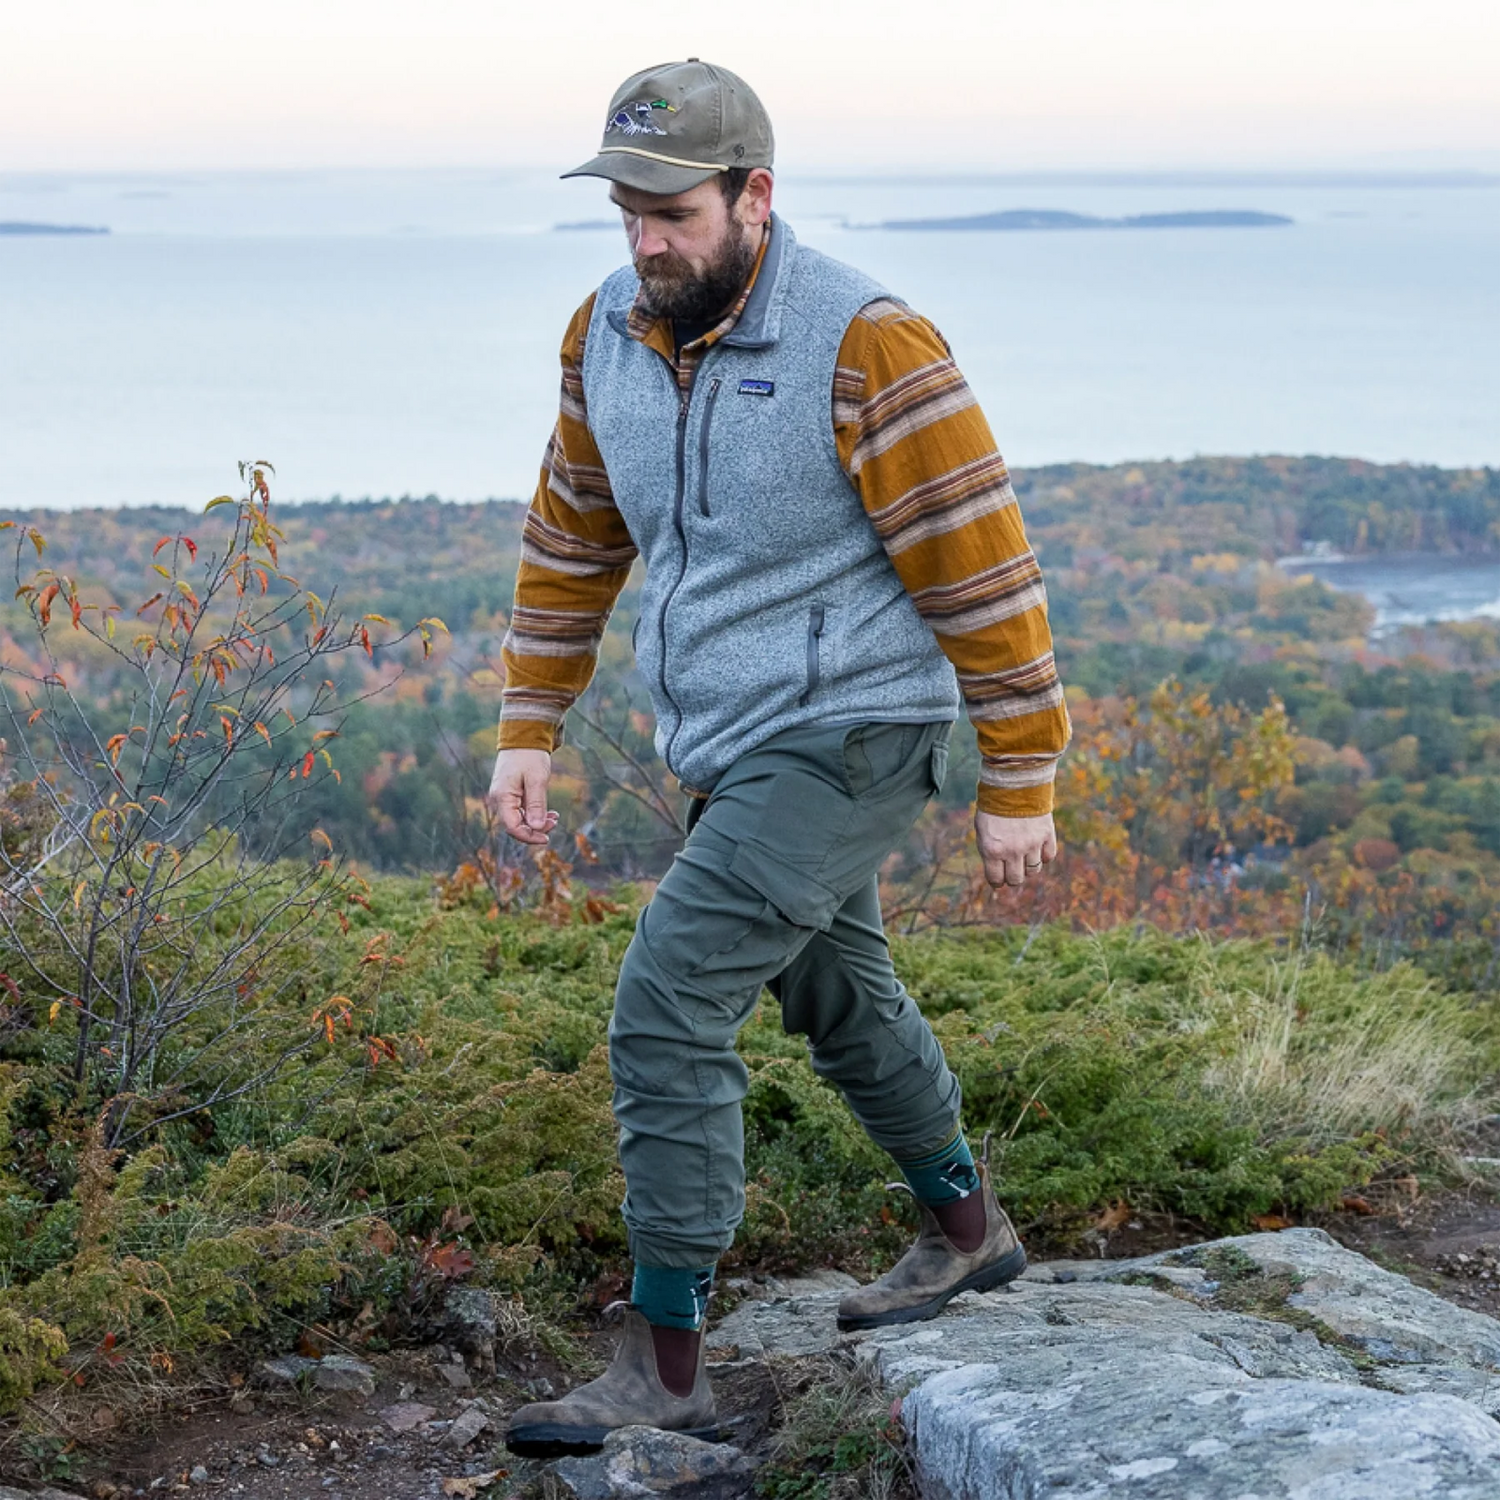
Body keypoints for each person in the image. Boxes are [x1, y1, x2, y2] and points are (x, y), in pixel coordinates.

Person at [491, 59, 1071, 1457]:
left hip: (857, 730)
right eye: (628, 211)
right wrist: (529, 720)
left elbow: (983, 564)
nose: (646, 240)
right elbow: (574, 534)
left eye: (673, 212)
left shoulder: (868, 344)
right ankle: (968, 1232)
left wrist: (1020, 774)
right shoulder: (607, 331)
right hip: (730, 743)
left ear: (756, 194)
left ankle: (666, 1361)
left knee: (668, 1001)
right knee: (835, 989)